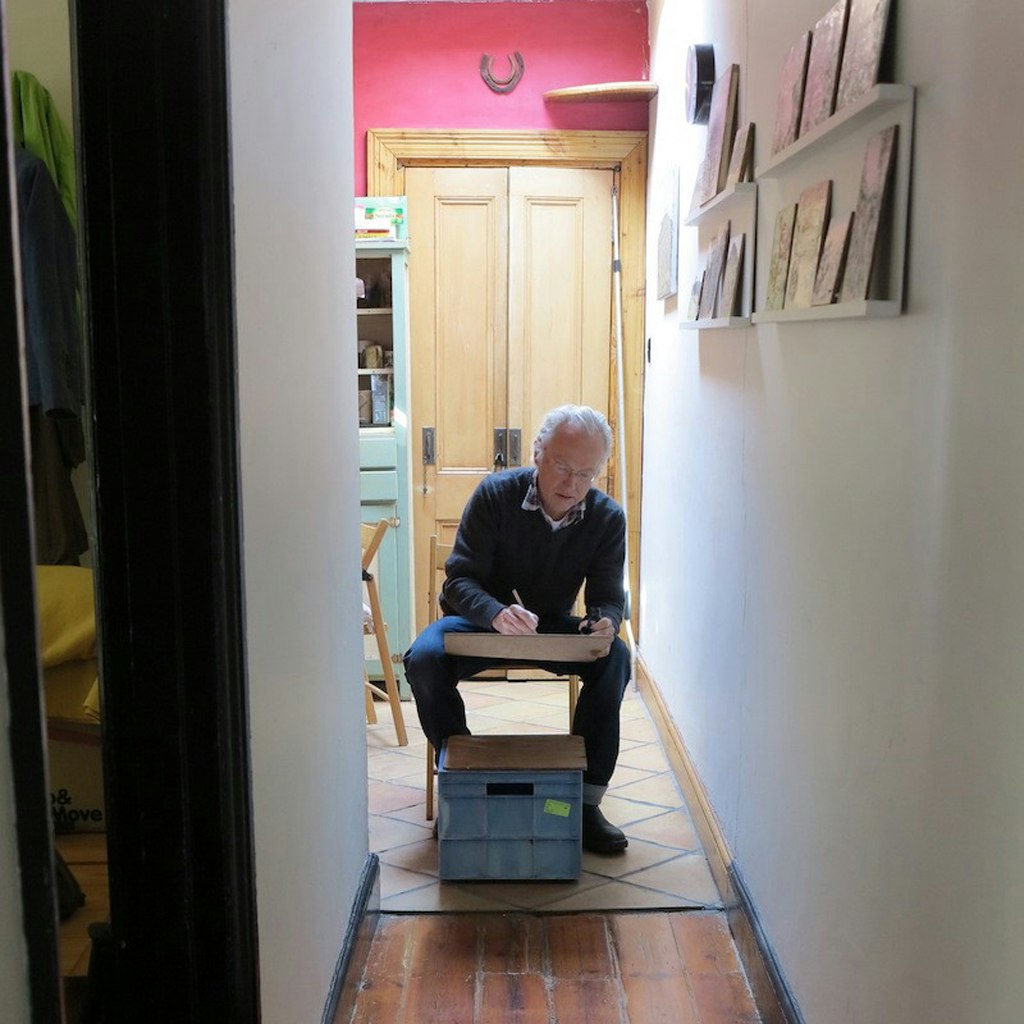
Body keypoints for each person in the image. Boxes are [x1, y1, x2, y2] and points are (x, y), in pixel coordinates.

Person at [404, 404, 631, 853]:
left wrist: (605, 620)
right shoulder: (495, 495)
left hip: (550, 624)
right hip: (480, 620)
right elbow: (458, 580)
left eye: (586, 474)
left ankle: (585, 804)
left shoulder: (607, 518)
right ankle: (463, 784)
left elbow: (607, 595)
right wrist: (493, 611)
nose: (572, 485)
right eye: (563, 467)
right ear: (537, 453)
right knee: (424, 657)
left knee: (616, 658)